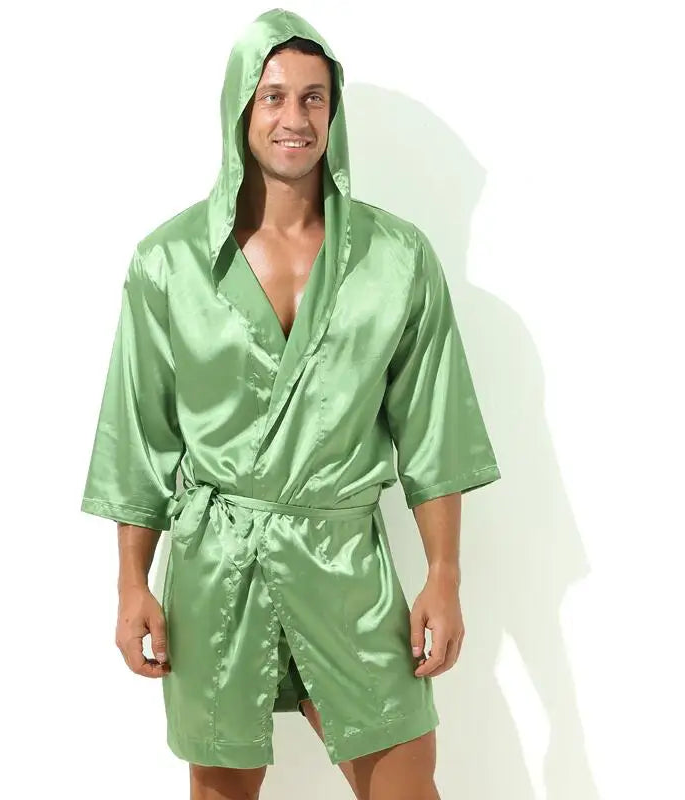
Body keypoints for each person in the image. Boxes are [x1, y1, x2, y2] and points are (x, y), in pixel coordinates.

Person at [80, 8, 501, 799]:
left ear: (333, 113)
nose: (294, 118)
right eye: (272, 96)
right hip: (217, 565)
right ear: (241, 109)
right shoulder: (168, 263)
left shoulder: (396, 259)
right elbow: (139, 440)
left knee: (408, 782)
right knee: (222, 788)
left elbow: (434, 433)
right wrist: (131, 585)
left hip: (345, 564)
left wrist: (444, 576)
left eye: (313, 98)